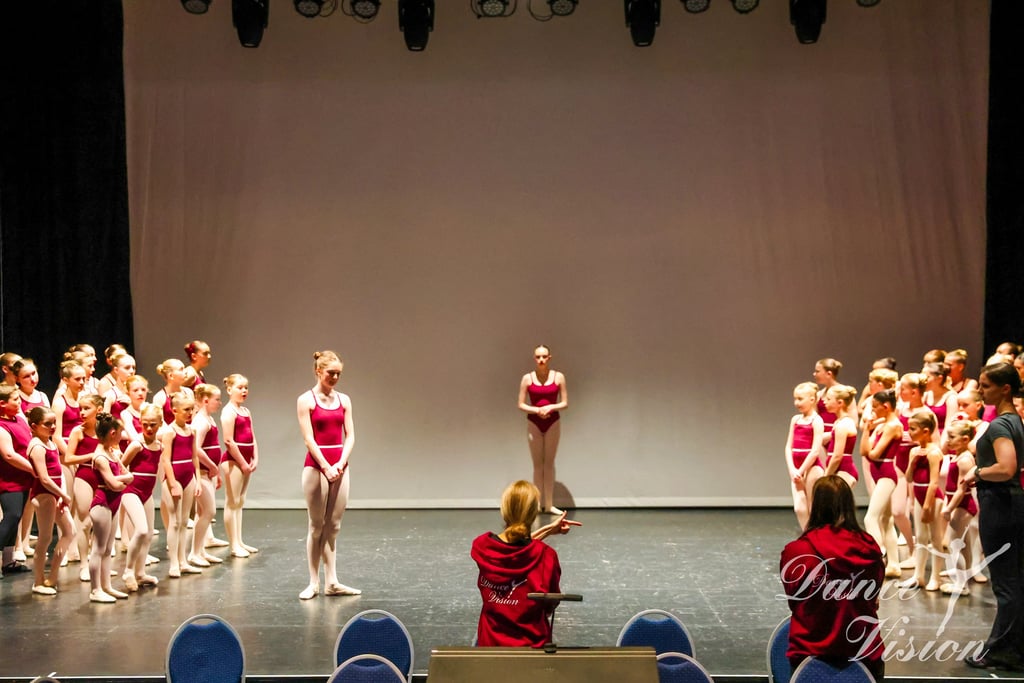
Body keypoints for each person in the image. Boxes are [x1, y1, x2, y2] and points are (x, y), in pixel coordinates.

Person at [779, 475, 885, 681]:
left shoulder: (797, 552)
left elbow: (795, 602)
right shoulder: (870, 548)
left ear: (815, 505)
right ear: (848, 505)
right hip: (863, 654)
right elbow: (874, 598)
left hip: (809, 654)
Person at [962, 362, 1024, 671]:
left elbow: (1007, 467)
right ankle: (1014, 647)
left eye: (985, 385)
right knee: (1014, 581)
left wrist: (977, 472)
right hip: (1008, 503)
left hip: (1000, 506)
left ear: (1005, 389)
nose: (981, 390)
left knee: (1006, 584)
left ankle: (1000, 650)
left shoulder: (1000, 424)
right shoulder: (1014, 421)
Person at [471, 480, 581, 648]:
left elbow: (510, 551)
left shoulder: (483, 547)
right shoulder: (546, 556)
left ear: (504, 510)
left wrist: (548, 530)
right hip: (531, 650)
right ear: (533, 514)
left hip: (490, 648)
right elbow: (550, 606)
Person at [296, 351, 358, 600]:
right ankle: (313, 582)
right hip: (316, 466)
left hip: (340, 465)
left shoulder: (344, 400)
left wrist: (341, 462)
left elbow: (350, 435)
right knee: (316, 525)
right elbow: (308, 437)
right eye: (330, 373)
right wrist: (326, 465)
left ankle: (332, 580)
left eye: (338, 374)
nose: (334, 377)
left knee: (333, 526)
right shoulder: (306, 400)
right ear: (318, 371)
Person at [25, 407, 74, 595]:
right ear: (34, 426)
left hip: (55, 493)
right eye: (48, 424)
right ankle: (38, 581)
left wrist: (61, 493)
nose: (53, 427)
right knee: (45, 538)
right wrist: (63, 494)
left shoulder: (50, 443)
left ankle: (52, 576)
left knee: (70, 532)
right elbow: (44, 478)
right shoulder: (37, 446)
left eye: (54, 423)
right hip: (44, 494)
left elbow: (57, 471)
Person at [517, 345, 568, 515]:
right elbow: (521, 404)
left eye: (544, 356)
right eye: (538, 357)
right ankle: (538, 504)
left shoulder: (558, 377)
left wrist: (550, 407)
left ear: (549, 358)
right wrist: (537, 410)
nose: (541, 360)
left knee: (549, 463)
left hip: (553, 422)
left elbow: (565, 403)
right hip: (534, 422)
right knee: (538, 465)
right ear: (534, 358)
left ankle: (550, 503)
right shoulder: (527, 378)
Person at [88, 413, 133, 603]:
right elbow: (115, 483)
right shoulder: (99, 456)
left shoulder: (112, 453)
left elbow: (125, 474)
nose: (122, 436)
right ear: (112, 433)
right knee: (98, 548)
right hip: (102, 502)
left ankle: (106, 585)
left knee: (108, 548)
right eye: (121, 432)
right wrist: (124, 481)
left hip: (114, 502)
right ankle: (95, 589)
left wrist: (122, 480)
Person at [119, 404, 162, 591]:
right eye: (145, 424)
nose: (149, 428)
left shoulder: (159, 445)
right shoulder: (137, 444)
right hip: (131, 491)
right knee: (142, 530)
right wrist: (124, 481)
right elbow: (121, 465)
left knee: (149, 534)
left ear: (160, 423)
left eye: (153, 424)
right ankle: (128, 571)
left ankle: (140, 572)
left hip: (147, 493)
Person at [860, 389, 902, 578]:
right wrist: (868, 430)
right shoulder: (882, 424)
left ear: (886, 406)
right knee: (886, 520)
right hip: (879, 474)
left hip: (886, 474)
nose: (873, 411)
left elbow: (875, 454)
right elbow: (864, 451)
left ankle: (876, 561)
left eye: (875, 407)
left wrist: (870, 433)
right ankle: (894, 564)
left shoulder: (893, 425)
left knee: (870, 518)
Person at [900, 410, 943, 591]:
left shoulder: (934, 452)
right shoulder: (914, 451)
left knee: (935, 537)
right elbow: (909, 478)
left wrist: (927, 506)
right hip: (918, 494)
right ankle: (919, 576)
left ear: (926, 431)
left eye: (913, 429)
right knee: (921, 537)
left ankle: (935, 577)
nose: (909, 432)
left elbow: (934, 482)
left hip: (932, 498)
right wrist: (912, 462)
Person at [160, 392, 201, 578]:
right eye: (186, 410)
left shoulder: (192, 430)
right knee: (174, 523)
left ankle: (183, 560)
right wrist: (172, 482)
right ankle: (174, 563)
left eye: (192, 409)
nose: (190, 413)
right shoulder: (169, 431)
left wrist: (198, 479)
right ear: (174, 410)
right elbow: (166, 460)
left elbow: (194, 457)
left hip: (188, 477)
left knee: (185, 521)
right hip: (174, 478)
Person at [221, 373, 258, 558]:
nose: (244, 391)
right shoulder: (228, 411)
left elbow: (252, 436)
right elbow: (228, 440)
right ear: (229, 390)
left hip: (245, 460)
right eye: (239, 387)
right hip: (233, 461)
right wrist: (242, 463)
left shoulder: (245, 411)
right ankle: (233, 544)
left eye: (246, 388)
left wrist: (255, 457)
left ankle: (240, 540)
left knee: (240, 502)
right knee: (232, 501)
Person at [0, 385, 34, 577]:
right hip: (9, 479)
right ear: (2, 404)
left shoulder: (19, 420)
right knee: (11, 516)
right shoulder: (1, 426)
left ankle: (8, 561)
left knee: (16, 519)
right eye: (15, 400)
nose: (20, 403)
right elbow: (9, 455)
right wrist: (33, 468)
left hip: (23, 479)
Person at [784, 382, 824, 528]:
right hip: (796, 468)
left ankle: (816, 539)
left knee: (812, 507)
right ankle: (807, 536)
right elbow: (789, 447)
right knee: (800, 508)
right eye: (795, 399)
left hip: (811, 467)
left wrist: (801, 471)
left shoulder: (817, 420)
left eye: (800, 399)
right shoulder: (795, 420)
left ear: (812, 400)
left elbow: (815, 450)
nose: (797, 403)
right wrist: (792, 470)